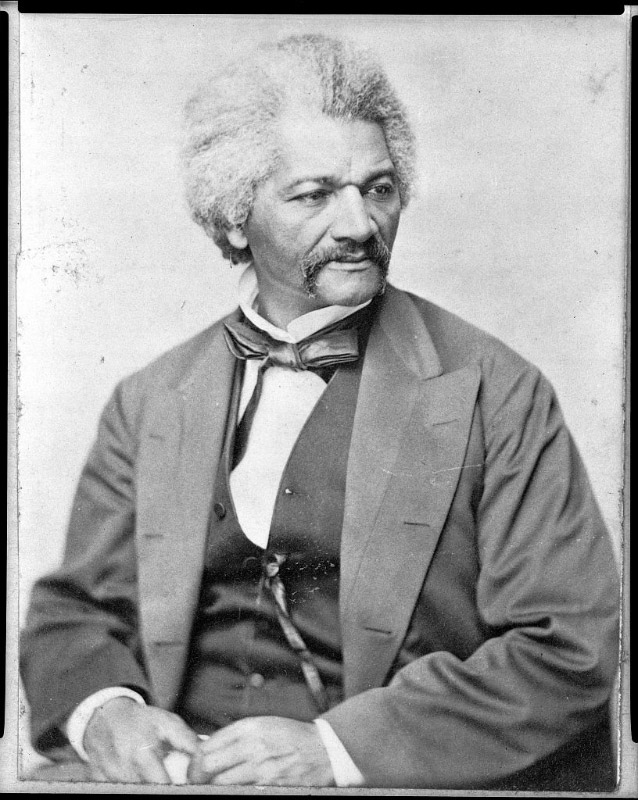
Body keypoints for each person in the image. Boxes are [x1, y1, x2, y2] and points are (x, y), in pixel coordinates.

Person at [20, 33, 620, 790]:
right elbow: (72, 611)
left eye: (378, 188)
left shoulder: (497, 390)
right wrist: (107, 714)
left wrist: (336, 752)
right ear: (235, 219)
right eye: (314, 195)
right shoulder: (148, 400)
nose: (360, 224)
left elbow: (566, 645)